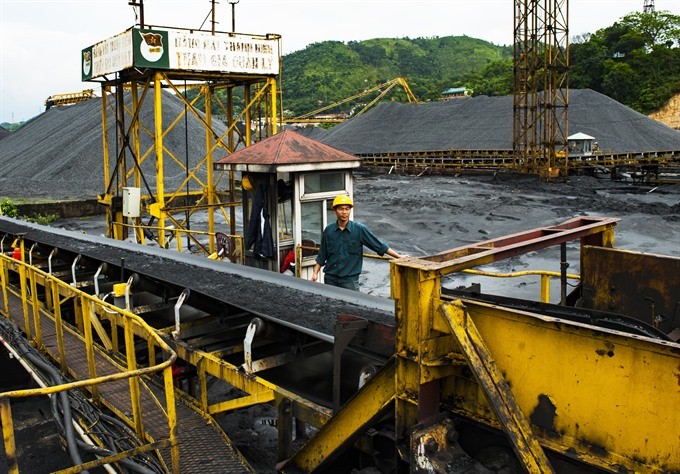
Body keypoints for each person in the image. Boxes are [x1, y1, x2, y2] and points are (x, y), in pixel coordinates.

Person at [311, 195, 404, 291]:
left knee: (352, 305)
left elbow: (379, 245)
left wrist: (398, 256)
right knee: (331, 304)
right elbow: (322, 254)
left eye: (347, 209)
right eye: (341, 209)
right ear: (334, 211)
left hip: (349, 281)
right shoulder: (329, 230)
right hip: (330, 279)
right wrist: (315, 273)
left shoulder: (359, 229)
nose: (344, 212)